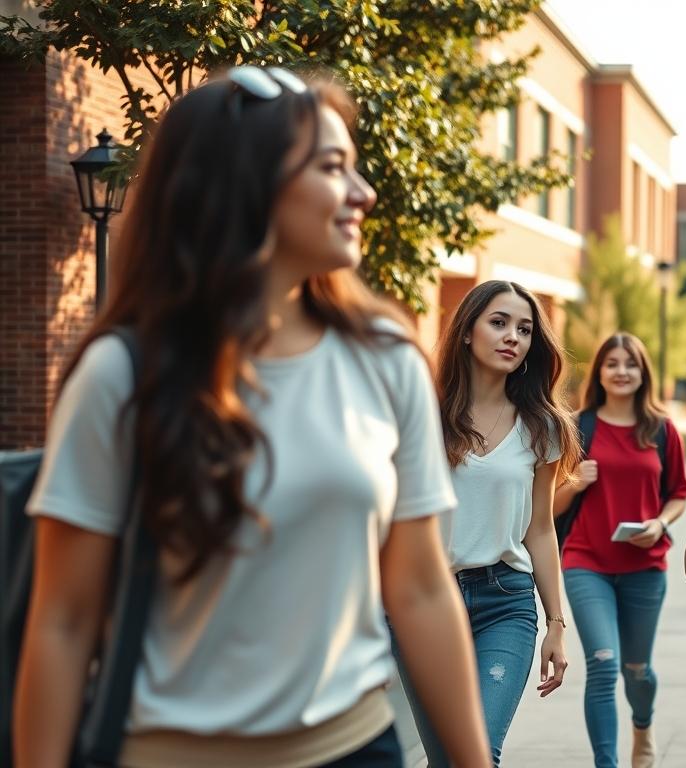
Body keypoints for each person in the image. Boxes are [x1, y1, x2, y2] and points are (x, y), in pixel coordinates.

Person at [15, 67, 489, 767]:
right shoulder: (122, 374)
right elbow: (62, 621)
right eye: (333, 168)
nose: (364, 193)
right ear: (248, 182)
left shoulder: (386, 357)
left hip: (356, 748)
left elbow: (420, 589)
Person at [389, 280, 581, 767]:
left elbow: (540, 528)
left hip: (505, 603)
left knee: (478, 756)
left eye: (524, 329)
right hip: (425, 605)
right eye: (499, 323)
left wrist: (556, 624)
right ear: (468, 331)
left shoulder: (544, 426)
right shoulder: (421, 414)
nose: (512, 337)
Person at [552, 333, 686, 768]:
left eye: (630, 364)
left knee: (636, 669)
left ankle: (643, 725)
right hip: (585, 562)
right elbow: (548, 507)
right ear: (600, 372)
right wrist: (576, 483)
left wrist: (659, 523)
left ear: (642, 372)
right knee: (602, 663)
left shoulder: (661, 428)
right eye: (612, 363)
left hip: (644, 566)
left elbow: (679, 493)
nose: (621, 371)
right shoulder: (577, 428)